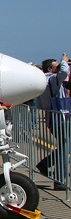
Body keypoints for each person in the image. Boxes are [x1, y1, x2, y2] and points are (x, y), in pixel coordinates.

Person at [36, 55, 70, 189]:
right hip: (60, 118)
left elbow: (39, 104)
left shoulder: (41, 81)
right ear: (50, 69)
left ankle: (46, 164)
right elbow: (64, 72)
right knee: (64, 147)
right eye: (56, 66)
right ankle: (59, 180)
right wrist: (64, 61)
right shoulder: (53, 79)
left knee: (64, 146)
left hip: (52, 118)